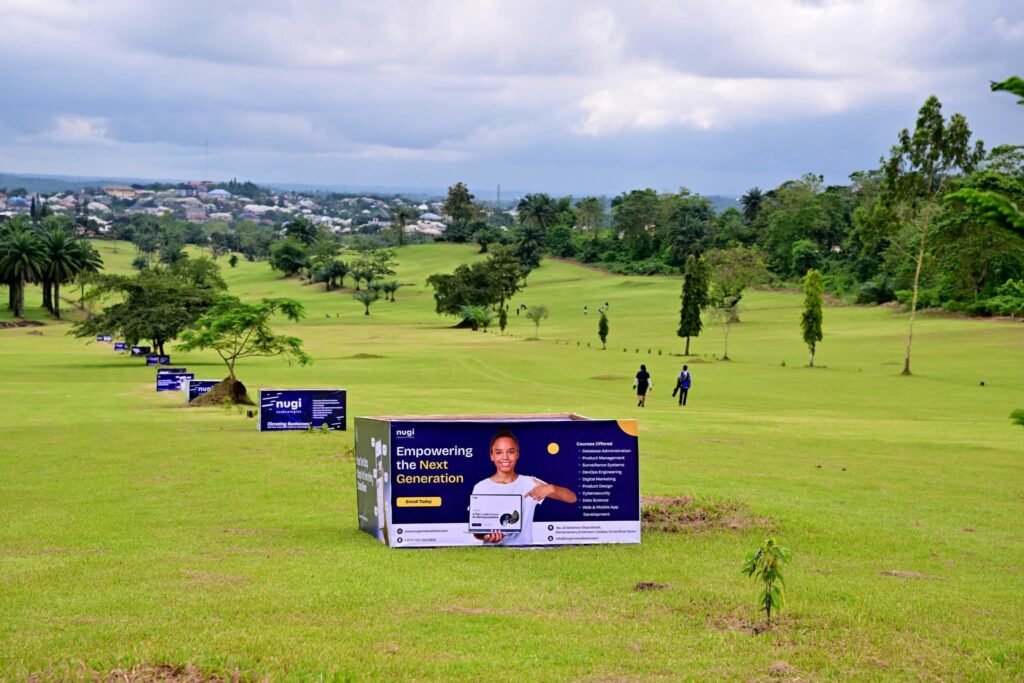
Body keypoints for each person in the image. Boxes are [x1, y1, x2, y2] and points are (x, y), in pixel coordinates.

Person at [473, 429, 577, 545]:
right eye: (499, 452)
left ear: (517, 454)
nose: (505, 457)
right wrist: (487, 537)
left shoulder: (529, 483)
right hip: (492, 554)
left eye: (511, 452)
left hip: (524, 552)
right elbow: (477, 531)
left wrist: (551, 488)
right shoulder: (481, 487)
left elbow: (572, 498)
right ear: (491, 456)